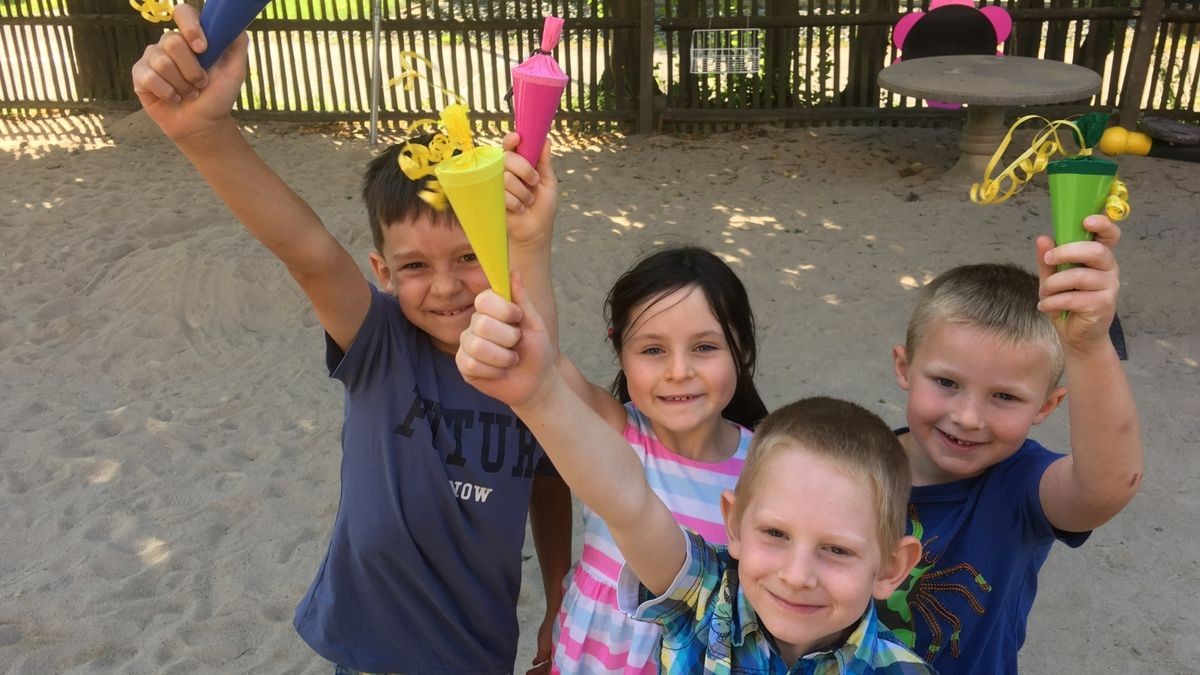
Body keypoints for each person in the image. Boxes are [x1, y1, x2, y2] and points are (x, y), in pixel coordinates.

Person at [130, 10, 572, 674]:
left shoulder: (531, 362)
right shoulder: (381, 340)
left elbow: (549, 476)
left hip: (480, 651)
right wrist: (204, 132)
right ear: (383, 273)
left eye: (469, 255)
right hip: (372, 651)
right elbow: (308, 253)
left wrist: (559, 597)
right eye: (415, 265)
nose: (446, 285)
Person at [456, 278, 935, 673]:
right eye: (775, 534)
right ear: (734, 525)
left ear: (892, 567)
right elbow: (628, 503)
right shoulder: (704, 601)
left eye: (837, 550)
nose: (796, 575)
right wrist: (536, 396)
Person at [877, 215, 1143, 674]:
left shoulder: (1021, 487)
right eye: (946, 382)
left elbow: (1107, 487)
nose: (968, 417)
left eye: (1004, 396)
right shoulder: (851, 462)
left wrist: (1088, 347)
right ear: (904, 367)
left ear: (1047, 404)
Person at [531, 245, 767, 672]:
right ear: (620, 351)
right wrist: (531, 240)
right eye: (653, 350)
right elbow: (538, 353)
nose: (679, 371)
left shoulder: (766, 468)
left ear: (743, 350)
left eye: (705, 347)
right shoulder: (611, 432)